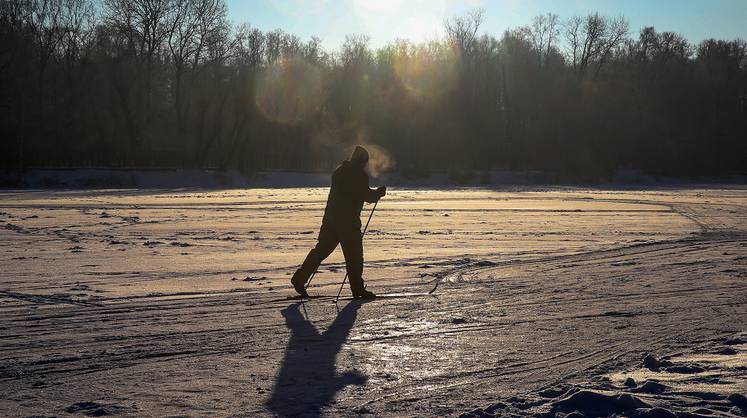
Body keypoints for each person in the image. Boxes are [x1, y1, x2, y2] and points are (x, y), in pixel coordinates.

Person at [291, 145, 386, 299]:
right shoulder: (359, 175)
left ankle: (299, 278)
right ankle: (357, 289)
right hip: (348, 224)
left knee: (320, 251)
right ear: (362, 161)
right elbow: (366, 195)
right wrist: (378, 194)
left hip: (330, 220)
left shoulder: (339, 171)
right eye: (365, 162)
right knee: (354, 257)